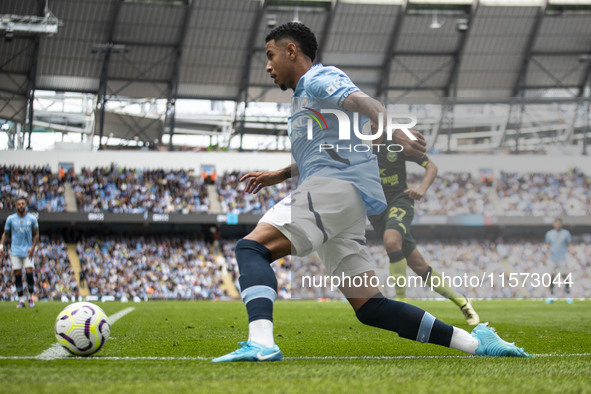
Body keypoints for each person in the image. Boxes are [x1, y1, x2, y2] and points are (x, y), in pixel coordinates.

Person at [212, 22, 529, 362]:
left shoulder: (319, 79)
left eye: (271, 55)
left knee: (251, 248)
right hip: (344, 200)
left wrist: (399, 133)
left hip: (332, 191)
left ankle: (261, 342)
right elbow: (329, 149)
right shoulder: (308, 98)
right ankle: (475, 342)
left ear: (291, 51)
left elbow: (368, 103)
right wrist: (281, 173)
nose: (267, 66)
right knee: (370, 306)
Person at [369, 151, 480, 324]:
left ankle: (401, 306)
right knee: (419, 265)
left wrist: (422, 188)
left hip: (400, 201)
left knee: (391, 241)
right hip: (376, 210)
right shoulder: (357, 145)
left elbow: (431, 166)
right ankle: (463, 302)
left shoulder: (397, 142)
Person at [0, 196, 39, 308]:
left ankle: (31, 298)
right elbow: (6, 234)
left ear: (25, 205)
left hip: (28, 251)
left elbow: (36, 234)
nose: (21, 205)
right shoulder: (11, 219)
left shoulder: (32, 219)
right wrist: (1, 245)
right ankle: (21, 300)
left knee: (29, 272)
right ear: (16, 206)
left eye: (23, 203)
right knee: (17, 274)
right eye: (19, 204)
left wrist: (33, 248)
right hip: (15, 251)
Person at [544, 218, 572, 304]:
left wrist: (572, 251)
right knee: (551, 276)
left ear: (561, 224)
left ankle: (568, 294)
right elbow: (547, 244)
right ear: (554, 224)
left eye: (559, 223)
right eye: (556, 223)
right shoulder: (549, 234)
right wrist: (547, 249)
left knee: (565, 275)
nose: (558, 225)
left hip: (562, 258)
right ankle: (551, 295)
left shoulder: (566, 233)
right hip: (553, 258)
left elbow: (569, 243)